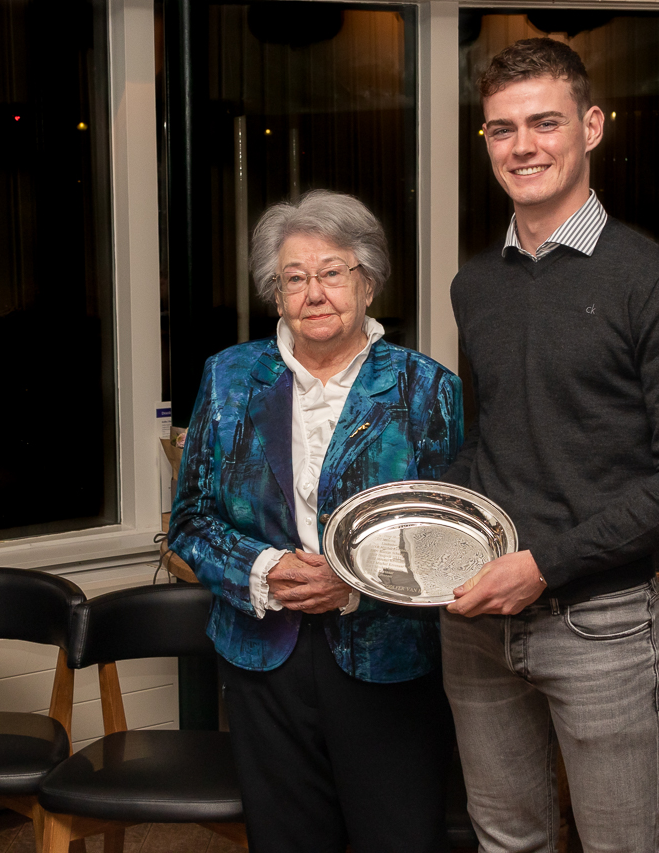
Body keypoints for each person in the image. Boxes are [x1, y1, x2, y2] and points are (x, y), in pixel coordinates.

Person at [440, 38, 659, 852]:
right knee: (507, 841)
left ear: (592, 126)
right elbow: (491, 436)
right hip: (477, 621)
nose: (522, 146)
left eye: (545, 122)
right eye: (502, 129)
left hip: (600, 622)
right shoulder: (475, 285)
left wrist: (544, 563)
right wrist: (433, 529)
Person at [169, 190, 463, 853]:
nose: (314, 293)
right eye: (295, 278)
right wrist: (264, 568)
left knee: (399, 838)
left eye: (332, 272)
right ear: (276, 296)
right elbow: (189, 520)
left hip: (388, 654)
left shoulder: (426, 390)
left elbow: (447, 540)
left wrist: (354, 581)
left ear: (368, 283)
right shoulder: (229, 378)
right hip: (262, 651)